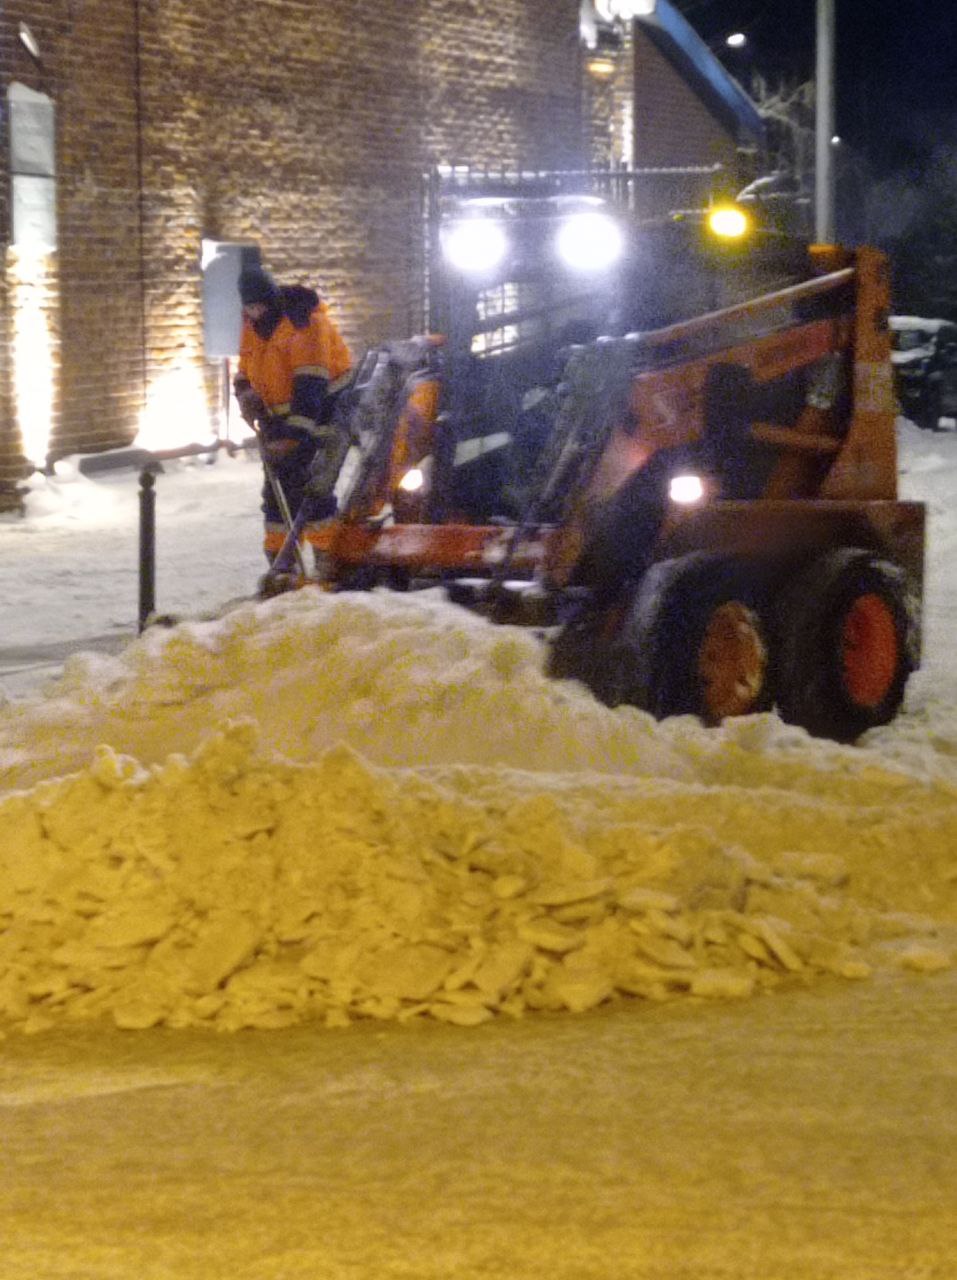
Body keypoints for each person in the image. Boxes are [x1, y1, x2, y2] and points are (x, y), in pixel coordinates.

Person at [233, 266, 352, 565]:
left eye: (259, 304)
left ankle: (330, 560)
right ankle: (282, 562)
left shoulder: (304, 324)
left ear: (272, 299)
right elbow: (245, 368)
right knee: (276, 493)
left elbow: (310, 384)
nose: (255, 311)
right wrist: (245, 392)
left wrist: (295, 436)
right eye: (249, 306)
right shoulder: (250, 326)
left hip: (324, 412)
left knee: (311, 487)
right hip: (278, 419)